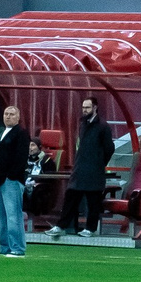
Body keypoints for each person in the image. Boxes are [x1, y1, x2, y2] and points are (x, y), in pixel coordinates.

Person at [0, 102, 32, 258]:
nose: (8, 116)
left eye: (12, 114)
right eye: (6, 114)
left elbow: (21, 157)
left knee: (13, 215)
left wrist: (11, 175)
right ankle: (4, 246)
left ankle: (17, 248)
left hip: (10, 180)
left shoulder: (22, 133)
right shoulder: (1, 133)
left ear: (18, 117)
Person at [61, 97, 112, 236]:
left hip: (94, 170)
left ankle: (90, 228)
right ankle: (61, 226)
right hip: (80, 168)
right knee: (71, 196)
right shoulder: (82, 123)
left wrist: (99, 163)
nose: (84, 110)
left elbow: (109, 148)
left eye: (87, 107)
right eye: (83, 107)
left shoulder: (103, 126)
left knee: (93, 201)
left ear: (95, 107)